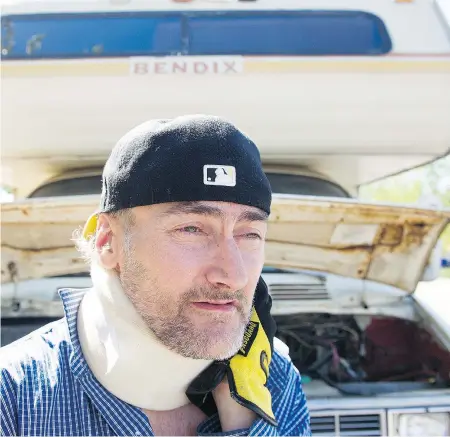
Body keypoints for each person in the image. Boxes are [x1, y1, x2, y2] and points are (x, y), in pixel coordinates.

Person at [0, 115, 311, 436]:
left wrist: (247, 422)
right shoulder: (13, 397)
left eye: (249, 234)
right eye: (191, 229)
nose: (233, 276)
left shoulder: (275, 380)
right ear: (108, 241)